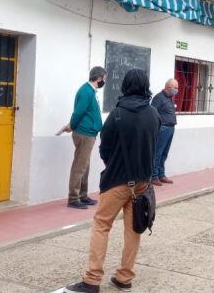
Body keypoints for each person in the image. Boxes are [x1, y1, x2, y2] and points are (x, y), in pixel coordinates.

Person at [65, 69, 160, 293]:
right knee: (134, 229)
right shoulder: (154, 113)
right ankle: (124, 277)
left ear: (125, 86)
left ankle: (92, 280)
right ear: (145, 86)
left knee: (101, 225)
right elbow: (154, 145)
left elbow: (105, 148)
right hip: (142, 183)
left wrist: (115, 165)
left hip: (116, 181)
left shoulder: (117, 114)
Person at [64, 66, 106, 210]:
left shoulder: (90, 91)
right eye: (104, 79)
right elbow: (78, 112)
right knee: (79, 166)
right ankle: (73, 198)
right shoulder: (86, 91)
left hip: (89, 133)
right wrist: (72, 125)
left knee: (85, 166)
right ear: (99, 78)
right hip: (84, 133)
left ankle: (83, 195)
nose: (104, 82)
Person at [150, 79, 179, 186]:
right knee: (158, 152)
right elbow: (153, 113)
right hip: (163, 129)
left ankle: (161, 175)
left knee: (164, 153)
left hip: (170, 128)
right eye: (175, 88)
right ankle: (154, 176)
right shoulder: (159, 98)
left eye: (177, 88)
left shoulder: (170, 98)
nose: (176, 90)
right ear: (168, 87)